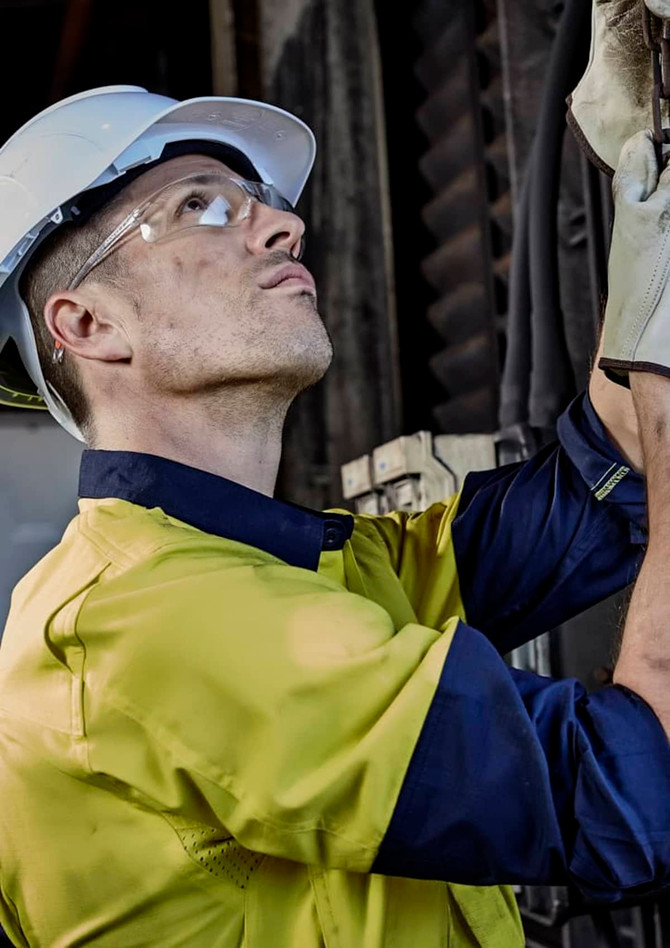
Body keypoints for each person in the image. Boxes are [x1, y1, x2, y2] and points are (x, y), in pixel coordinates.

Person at [0, 86, 668, 948]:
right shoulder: (147, 618)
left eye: (268, 205)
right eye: (200, 207)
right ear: (87, 323)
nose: (286, 229)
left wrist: (645, 215)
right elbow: (629, 795)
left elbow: (597, 485)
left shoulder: (300, 570)